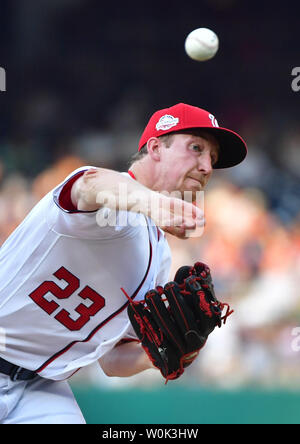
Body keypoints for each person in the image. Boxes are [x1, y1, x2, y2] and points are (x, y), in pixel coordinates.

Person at [0, 103, 247, 424]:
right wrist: (154, 203)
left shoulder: (159, 255)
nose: (206, 166)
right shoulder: (101, 195)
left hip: (41, 386)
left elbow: (112, 358)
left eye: (211, 159)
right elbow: (91, 186)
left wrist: (163, 352)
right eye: (196, 148)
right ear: (156, 147)